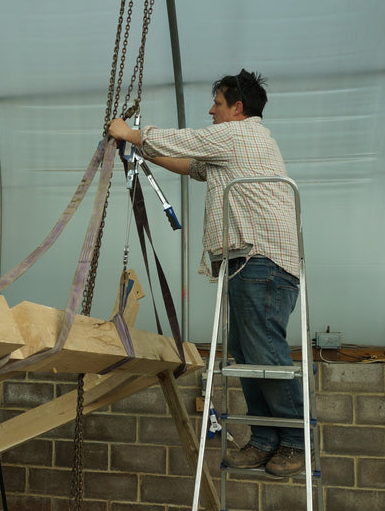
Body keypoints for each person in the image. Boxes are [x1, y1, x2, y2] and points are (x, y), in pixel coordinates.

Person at [106, 70, 305, 477]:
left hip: (261, 261)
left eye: (217, 103)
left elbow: (186, 141)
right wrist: (139, 149)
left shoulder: (238, 134)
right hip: (249, 262)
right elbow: (191, 166)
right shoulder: (234, 146)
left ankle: (296, 441)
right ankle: (265, 440)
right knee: (247, 354)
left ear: (237, 108)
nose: (211, 111)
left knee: (264, 352)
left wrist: (129, 133)